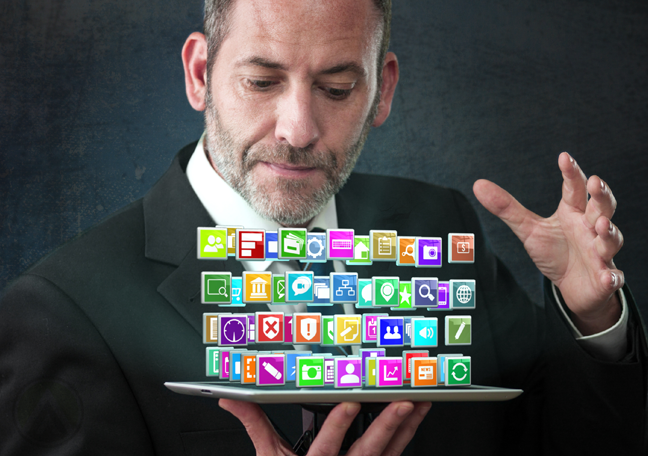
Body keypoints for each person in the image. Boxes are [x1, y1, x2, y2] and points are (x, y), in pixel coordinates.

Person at [0, 0, 645, 455]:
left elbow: (564, 438)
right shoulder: (60, 314)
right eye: (261, 81)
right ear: (200, 75)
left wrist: (593, 320)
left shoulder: (439, 228)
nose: (298, 130)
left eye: (337, 89)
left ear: (383, 91)